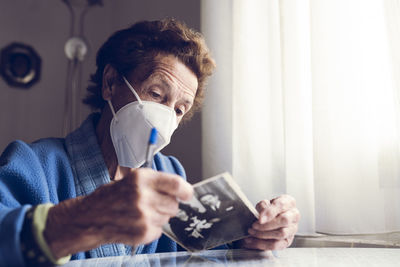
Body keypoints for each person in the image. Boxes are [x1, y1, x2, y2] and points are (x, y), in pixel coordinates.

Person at [0, 18, 300, 266]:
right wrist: (77, 221)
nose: (165, 115)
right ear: (110, 82)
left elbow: (194, 252)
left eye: (179, 109)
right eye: (156, 94)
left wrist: (258, 234)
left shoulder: (170, 173)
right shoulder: (32, 163)